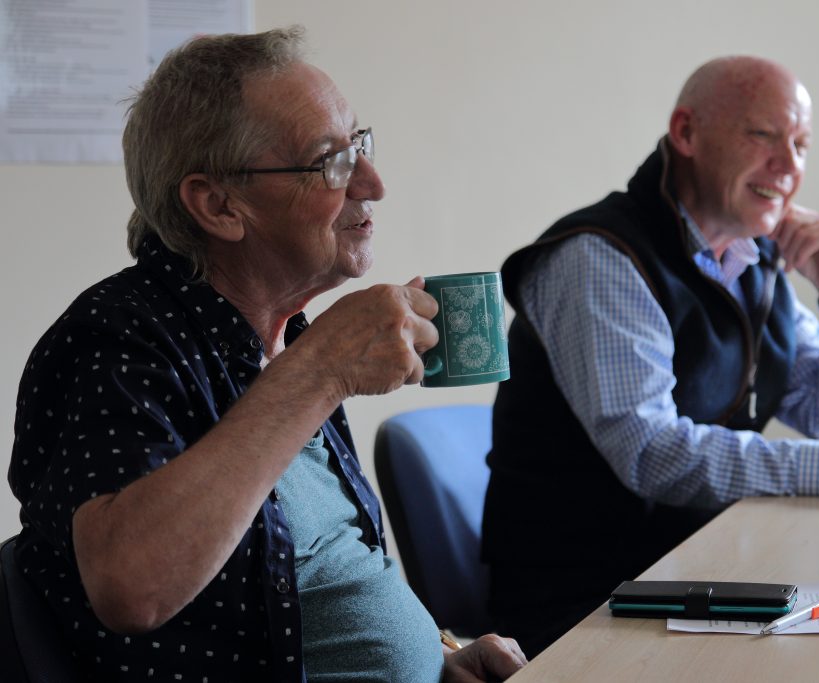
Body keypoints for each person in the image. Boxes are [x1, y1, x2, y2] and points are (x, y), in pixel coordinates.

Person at [8, 27, 525, 682]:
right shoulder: (114, 338)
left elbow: (325, 581)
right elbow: (131, 587)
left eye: (359, 145)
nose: (373, 182)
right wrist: (320, 369)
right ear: (219, 204)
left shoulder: (283, 339)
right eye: (331, 161)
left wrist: (440, 657)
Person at [481, 55, 819, 657]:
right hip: (590, 607)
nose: (789, 167)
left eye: (802, 145)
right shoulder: (599, 258)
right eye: (763, 135)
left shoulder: (751, 259)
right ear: (686, 134)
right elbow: (651, 452)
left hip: (701, 575)